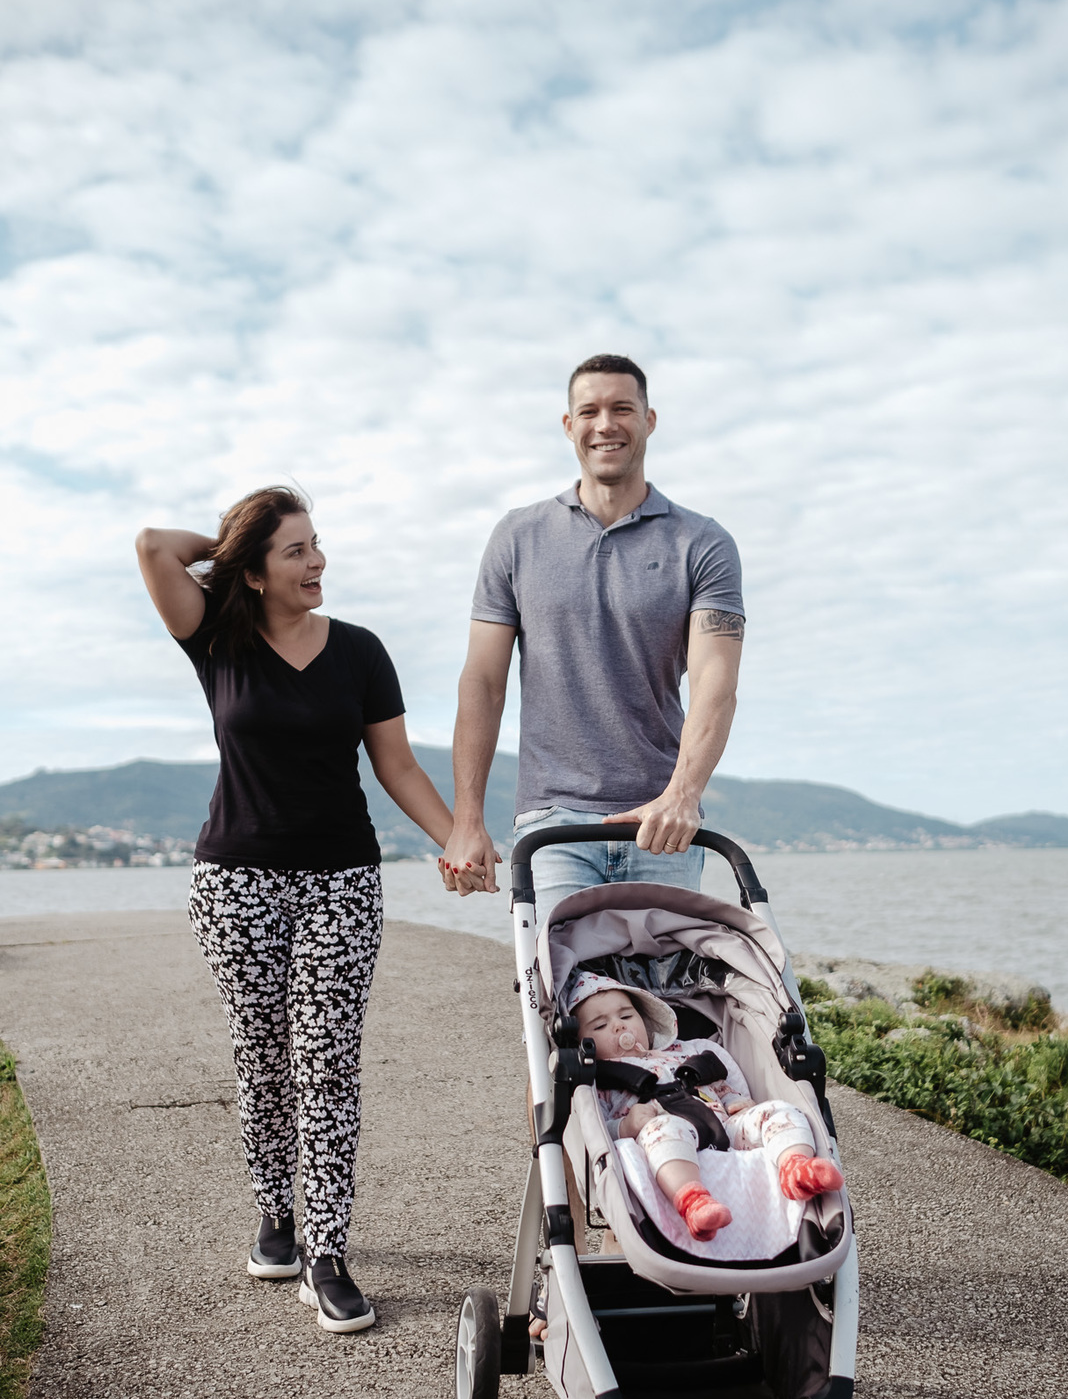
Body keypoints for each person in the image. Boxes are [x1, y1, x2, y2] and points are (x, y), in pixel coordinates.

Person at [136, 487, 455, 1335]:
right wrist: (234, 549)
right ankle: (275, 1216)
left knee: (326, 1060)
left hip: (341, 879)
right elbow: (152, 545)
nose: (317, 564)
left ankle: (327, 1251)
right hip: (235, 881)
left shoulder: (359, 652)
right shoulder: (216, 637)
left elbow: (398, 767)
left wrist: (459, 835)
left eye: (318, 546)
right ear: (256, 570)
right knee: (263, 1054)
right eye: (296, 552)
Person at [438, 352, 746, 905]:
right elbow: (482, 683)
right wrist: (467, 820)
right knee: (566, 986)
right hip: (551, 824)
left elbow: (715, 682)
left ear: (649, 420)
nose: (606, 424)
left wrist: (683, 794)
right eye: (590, 411)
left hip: (662, 824)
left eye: (622, 408)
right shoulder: (517, 537)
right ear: (569, 425)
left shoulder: (703, 543)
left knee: (664, 993)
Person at [568, 973, 843, 1241]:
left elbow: (723, 1086)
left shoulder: (688, 1051)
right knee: (662, 1130)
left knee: (780, 1111)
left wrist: (736, 1102)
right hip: (664, 1138)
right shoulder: (599, 1079)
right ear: (584, 1043)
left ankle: (796, 1166)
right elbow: (596, 1129)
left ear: (645, 1020)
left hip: (724, 1126)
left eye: (626, 1016)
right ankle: (693, 1200)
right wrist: (625, 1126)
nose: (618, 1026)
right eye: (600, 1026)